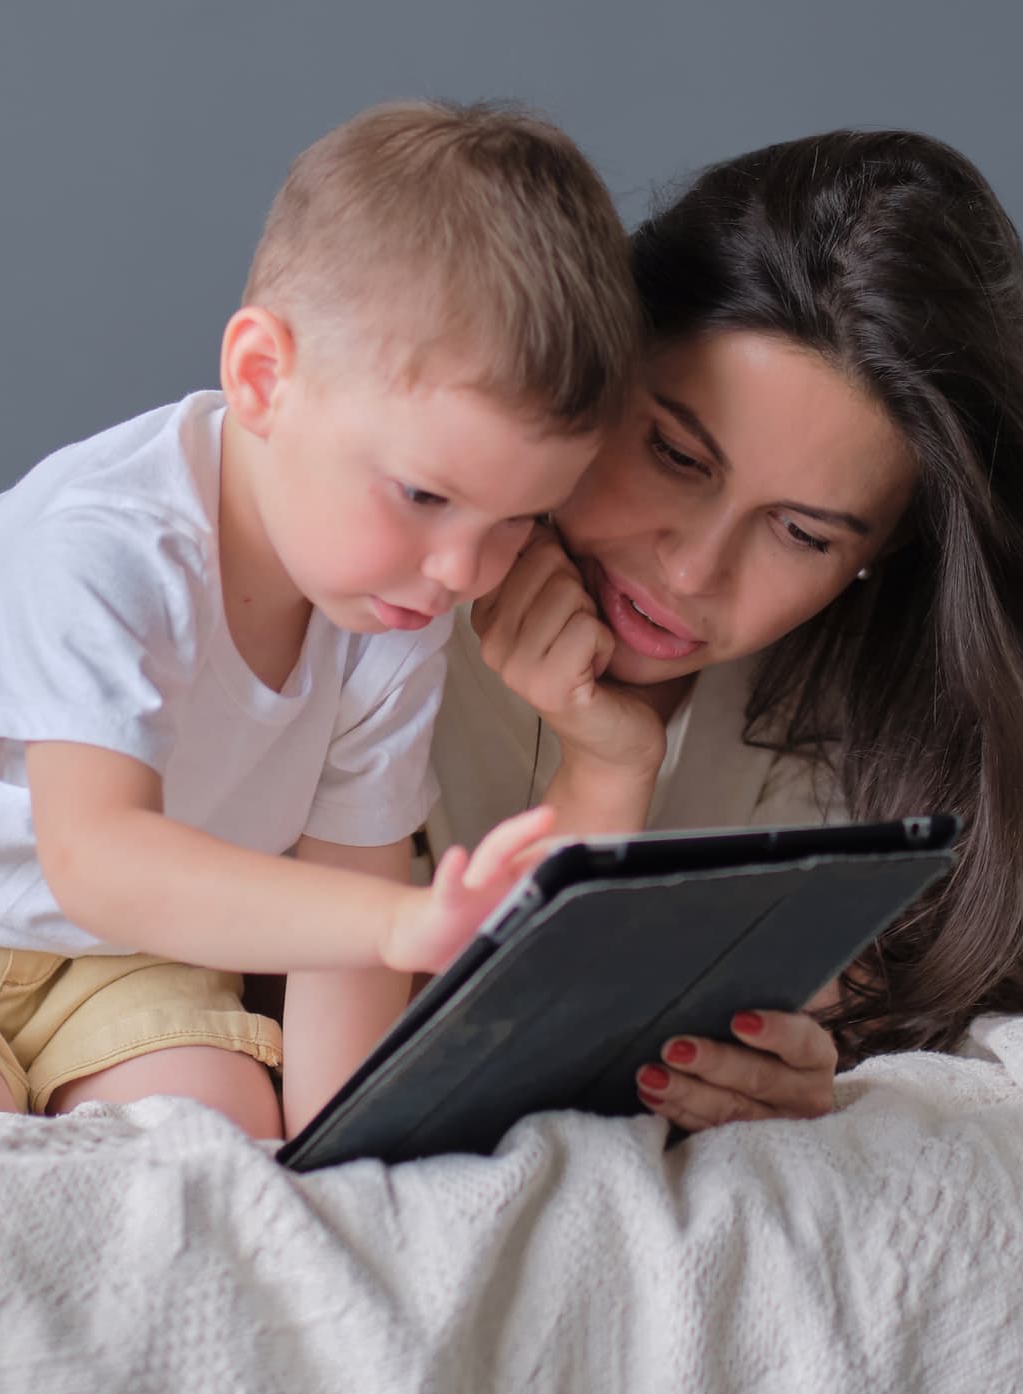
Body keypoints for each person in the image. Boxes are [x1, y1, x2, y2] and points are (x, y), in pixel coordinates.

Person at [0, 101, 641, 1139]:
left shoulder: (392, 607)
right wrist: (404, 924)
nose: (461, 571)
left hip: (121, 965)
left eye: (517, 521)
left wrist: (349, 1160)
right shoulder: (108, 545)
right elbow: (98, 855)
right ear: (262, 378)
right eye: (425, 496)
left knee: (220, 1129)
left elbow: (352, 892)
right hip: (92, 902)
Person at [425, 128, 1023, 1134]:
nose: (692, 568)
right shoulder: (385, 582)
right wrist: (602, 775)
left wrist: (804, 1066)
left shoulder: (875, 744)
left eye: (800, 533)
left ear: (878, 555)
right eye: (672, 452)